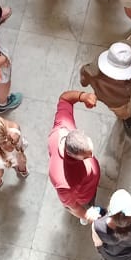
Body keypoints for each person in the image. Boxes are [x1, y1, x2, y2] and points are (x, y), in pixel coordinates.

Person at [79, 41, 131, 140]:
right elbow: (84, 77)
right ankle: (127, 119)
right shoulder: (92, 71)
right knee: (122, 111)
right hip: (114, 99)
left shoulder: (127, 49)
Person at [48, 88, 102, 222]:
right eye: (86, 157)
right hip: (85, 194)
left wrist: (83, 96)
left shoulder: (63, 127)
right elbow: (72, 206)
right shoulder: (63, 183)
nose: (91, 157)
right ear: (71, 154)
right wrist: (86, 215)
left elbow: (65, 98)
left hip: (88, 184)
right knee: (89, 203)